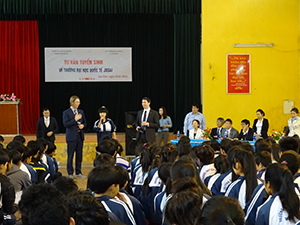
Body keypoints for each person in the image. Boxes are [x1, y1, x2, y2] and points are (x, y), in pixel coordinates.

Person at [63, 95, 87, 179]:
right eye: (77, 102)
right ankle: (70, 173)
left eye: (79, 102)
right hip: (71, 137)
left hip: (79, 137)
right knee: (70, 155)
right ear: (72, 102)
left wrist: (83, 125)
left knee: (79, 156)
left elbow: (85, 122)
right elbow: (65, 124)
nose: (78, 103)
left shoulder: (81, 111)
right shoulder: (66, 112)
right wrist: (75, 120)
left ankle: (78, 172)